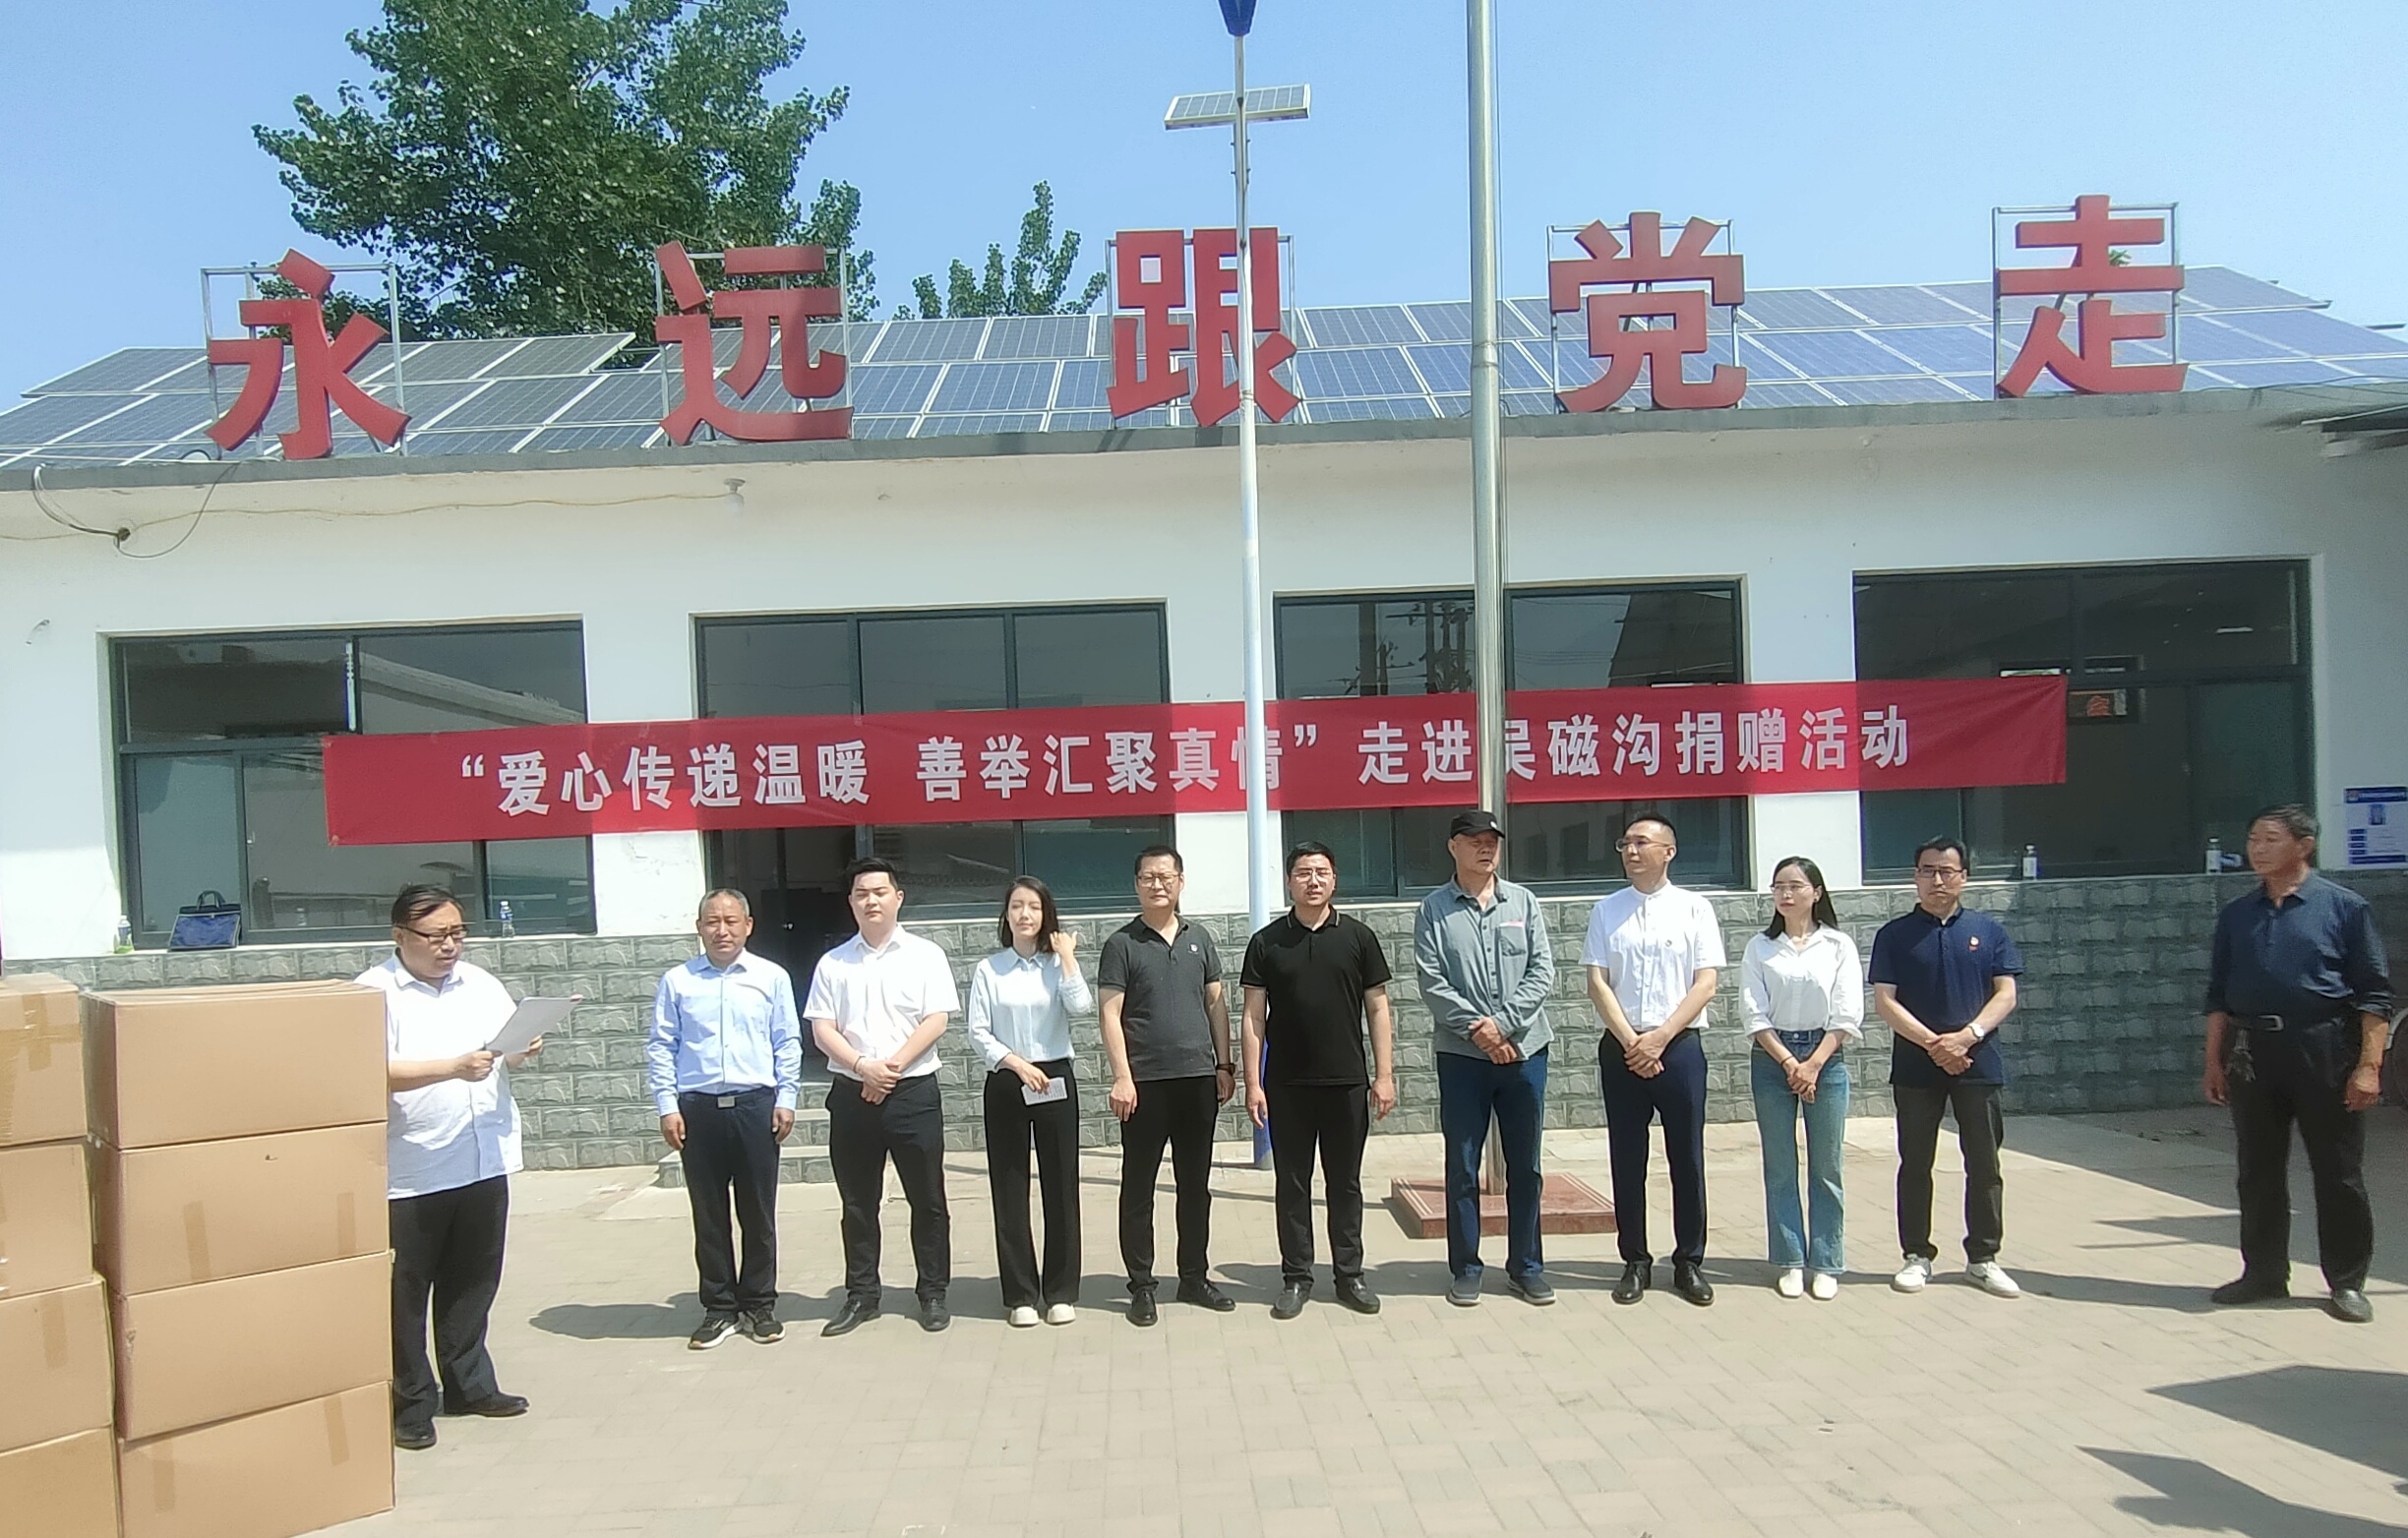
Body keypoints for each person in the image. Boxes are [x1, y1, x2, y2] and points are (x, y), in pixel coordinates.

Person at [365, 884, 540, 1452]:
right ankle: (412, 1402)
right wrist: (451, 1068)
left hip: (483, 1156)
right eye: (436, 935)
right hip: (413, 1168)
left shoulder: (480, 983)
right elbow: (366, 1069)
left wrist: (523, 1046)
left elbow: (505, 1050)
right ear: (400, 937)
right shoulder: (373, 992)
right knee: (406, 1292)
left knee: (473, 1280)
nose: (449, 946)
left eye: (458, 933)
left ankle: (469, 1385)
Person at [2203, 804, 2392, 1324]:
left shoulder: (2343, 908)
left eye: (2270, 839)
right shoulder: (2238, 914)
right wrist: (2213, 1060)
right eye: (2253, 839)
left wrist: (2369, 1066)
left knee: (2337, 1170)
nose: (2257, 849)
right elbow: (2218, 995)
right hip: (2252, 1051)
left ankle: (2347, 1282)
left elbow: (2374, 995)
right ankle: (2263, 1273)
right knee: (2257, 1168)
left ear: (2304, 846)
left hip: (2324, 1047)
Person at [1240, 841, 1398, 1320]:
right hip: (1286, 1086)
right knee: (1292, 1184)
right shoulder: (1267, 942)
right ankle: (1296, 1276)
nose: (1313, 881)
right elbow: (1253, 1017)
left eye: (1322, 872)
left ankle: (1350, 1275)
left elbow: (1378, 1008)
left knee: (1345, 1183)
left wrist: (1384, 1075)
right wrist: (1253, 1083)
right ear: (1289, 881)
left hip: (1346, 1083)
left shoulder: (1358, 937)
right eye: (1304, 873)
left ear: (1334, 880)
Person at [804, 858, 961, 1335]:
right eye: (861, 894)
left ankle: (932, 1293)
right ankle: (862, 1295)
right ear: (851, 902)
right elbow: (822, 1028)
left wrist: (888, 1070)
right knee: (858, 1203)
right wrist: (862, 1067)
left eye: (879, 892)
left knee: (927, 1200)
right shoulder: (833, 963)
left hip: (913, 1093)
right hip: (852, 1095)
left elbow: (937, 1019)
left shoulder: (925, 955)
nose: (871, 901)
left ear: (898, 897)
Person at [1582, 813, 1727, 1308]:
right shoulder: (1607, 910)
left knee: (1686, 1156)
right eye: (1625, 843)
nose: (1631, 851)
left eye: (1642, 843)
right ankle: (1635, 1260)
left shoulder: (1695, 908)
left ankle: (1688, 1261)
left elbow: (1706, 983)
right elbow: (1597, 982)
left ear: (1669, 851)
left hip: (1678, 1047)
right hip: (1622, 1046)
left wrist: (1661, 1038)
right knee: (1627, 1157)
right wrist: (1632, 1042)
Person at [1869, 837, 2023, 1299]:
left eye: (1947, 871)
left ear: (1964, 878)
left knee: (1984, 1163)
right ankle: (1917, 1255)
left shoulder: (1988, 931)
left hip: (1978, 1063)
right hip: (1916, 1067)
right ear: (1915, 877)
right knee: (1916, 1162)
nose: (1937, 880)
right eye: (1927, 871)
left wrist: (1967, 1036)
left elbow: (2006, 994)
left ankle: (1983, 1258)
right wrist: (1934, 1043)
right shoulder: (1894, 935)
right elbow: (1885, 1001)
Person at [1414, 808, 1556, 1308]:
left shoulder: (1524, 902)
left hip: (1524, 1051)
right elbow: (1432, 981)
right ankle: (1467, 1268)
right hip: (1462, 1057)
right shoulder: (1433, 909)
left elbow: (1542, 971)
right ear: (1453, 846)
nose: (1485, 848)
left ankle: (1527, 1267)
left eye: (1492, 840)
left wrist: (1505, 1026)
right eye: (1474, 840)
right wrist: (1481, 1031)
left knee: (1526, 1166)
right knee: (1463, 1165)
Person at [648, 888, 802, 1350]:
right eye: (712, 922)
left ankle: (759, 1305)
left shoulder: (771, 977)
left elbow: (787, 1041)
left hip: (756, 1107)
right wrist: (667, 1105)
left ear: (748, 926)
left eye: (731, 921)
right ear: (699, 928)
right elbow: (662, 1045)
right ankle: (718, 1309)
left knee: (758, 1213)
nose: (722, 930)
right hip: (697, 1111)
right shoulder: (678, 981)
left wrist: (787, 1097)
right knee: (709, 1215)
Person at [1099, 845, 1235, 1325]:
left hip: (1197, 1081)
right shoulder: (1122, 944)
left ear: (1181, 881)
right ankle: (1141, 1285)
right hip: (1144, 1085)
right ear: (1137, 884)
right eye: (1148, 877)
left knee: (1195, 1186)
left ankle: (1194, 1277)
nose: (1158, 885)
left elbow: (1215, 1003)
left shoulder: (1201, 938)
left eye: (1166, 876)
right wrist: (1122, 1076)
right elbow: (1110, 1014)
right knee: (1138, 1188)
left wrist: (1225, 1065)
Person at [965, 877, 1091, 1328]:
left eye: (1033, 906)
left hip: (1054, 1076)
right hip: (1007, 1077)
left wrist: (1068, 957)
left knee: (1061, 1185)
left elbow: (1080, 1007)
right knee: (1009, 1185)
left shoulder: (1057, 965)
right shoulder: (989, 969)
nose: (1024, 914)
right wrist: (1017, 1065)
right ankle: (1020, 1294)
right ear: (1006, 914)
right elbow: (978, 1031)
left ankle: (1060, 1291)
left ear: (1045, 914)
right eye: (1017, 906)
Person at [1741, 857, 1862, 1301]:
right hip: (1771, 1057)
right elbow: (1753, 1013)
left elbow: (1847, 1012)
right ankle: (1790, 1259)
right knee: (1780, 1165)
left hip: (1826, 1057)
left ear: (1817, 892)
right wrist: (1791, 1063)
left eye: (1795, 885)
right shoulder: (1760, 947)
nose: (1786, 894)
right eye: (1779, 887)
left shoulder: (1837, 945)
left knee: (1827, 1165)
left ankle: (1826, 1261)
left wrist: (1812, 1064)